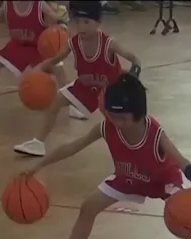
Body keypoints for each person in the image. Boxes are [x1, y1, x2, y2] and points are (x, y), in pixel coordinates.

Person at [22, 74, 191, 239]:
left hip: (163, 181)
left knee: (190, 222)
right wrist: (39, 165)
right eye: (112, 116)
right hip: (128, 177)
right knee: (88, 207)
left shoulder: (155, 133)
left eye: (122, 118)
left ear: (139, 115)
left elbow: (181, 160)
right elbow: (72, 147)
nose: (117, 123)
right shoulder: (106, 127)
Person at [13, 1, 142, 157]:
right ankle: (38, 143)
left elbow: (134, 58)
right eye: (77, 22)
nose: (81, 26)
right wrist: (38, 69)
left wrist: (134, 73)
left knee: (119, 125)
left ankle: (135, 147)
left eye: (87, 22)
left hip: (109, 92)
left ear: (98, 22)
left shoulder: (109, 44)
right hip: (84, 88)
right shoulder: (73, 43)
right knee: (56, 102)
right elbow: (54, 60)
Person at [0, 1, 77, 115]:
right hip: (17, 46)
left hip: (39, 48)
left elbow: (55, 17)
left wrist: (62, 25)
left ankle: (74, 103)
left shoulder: (39, 5)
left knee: (57, 69)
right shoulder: (8, 4)